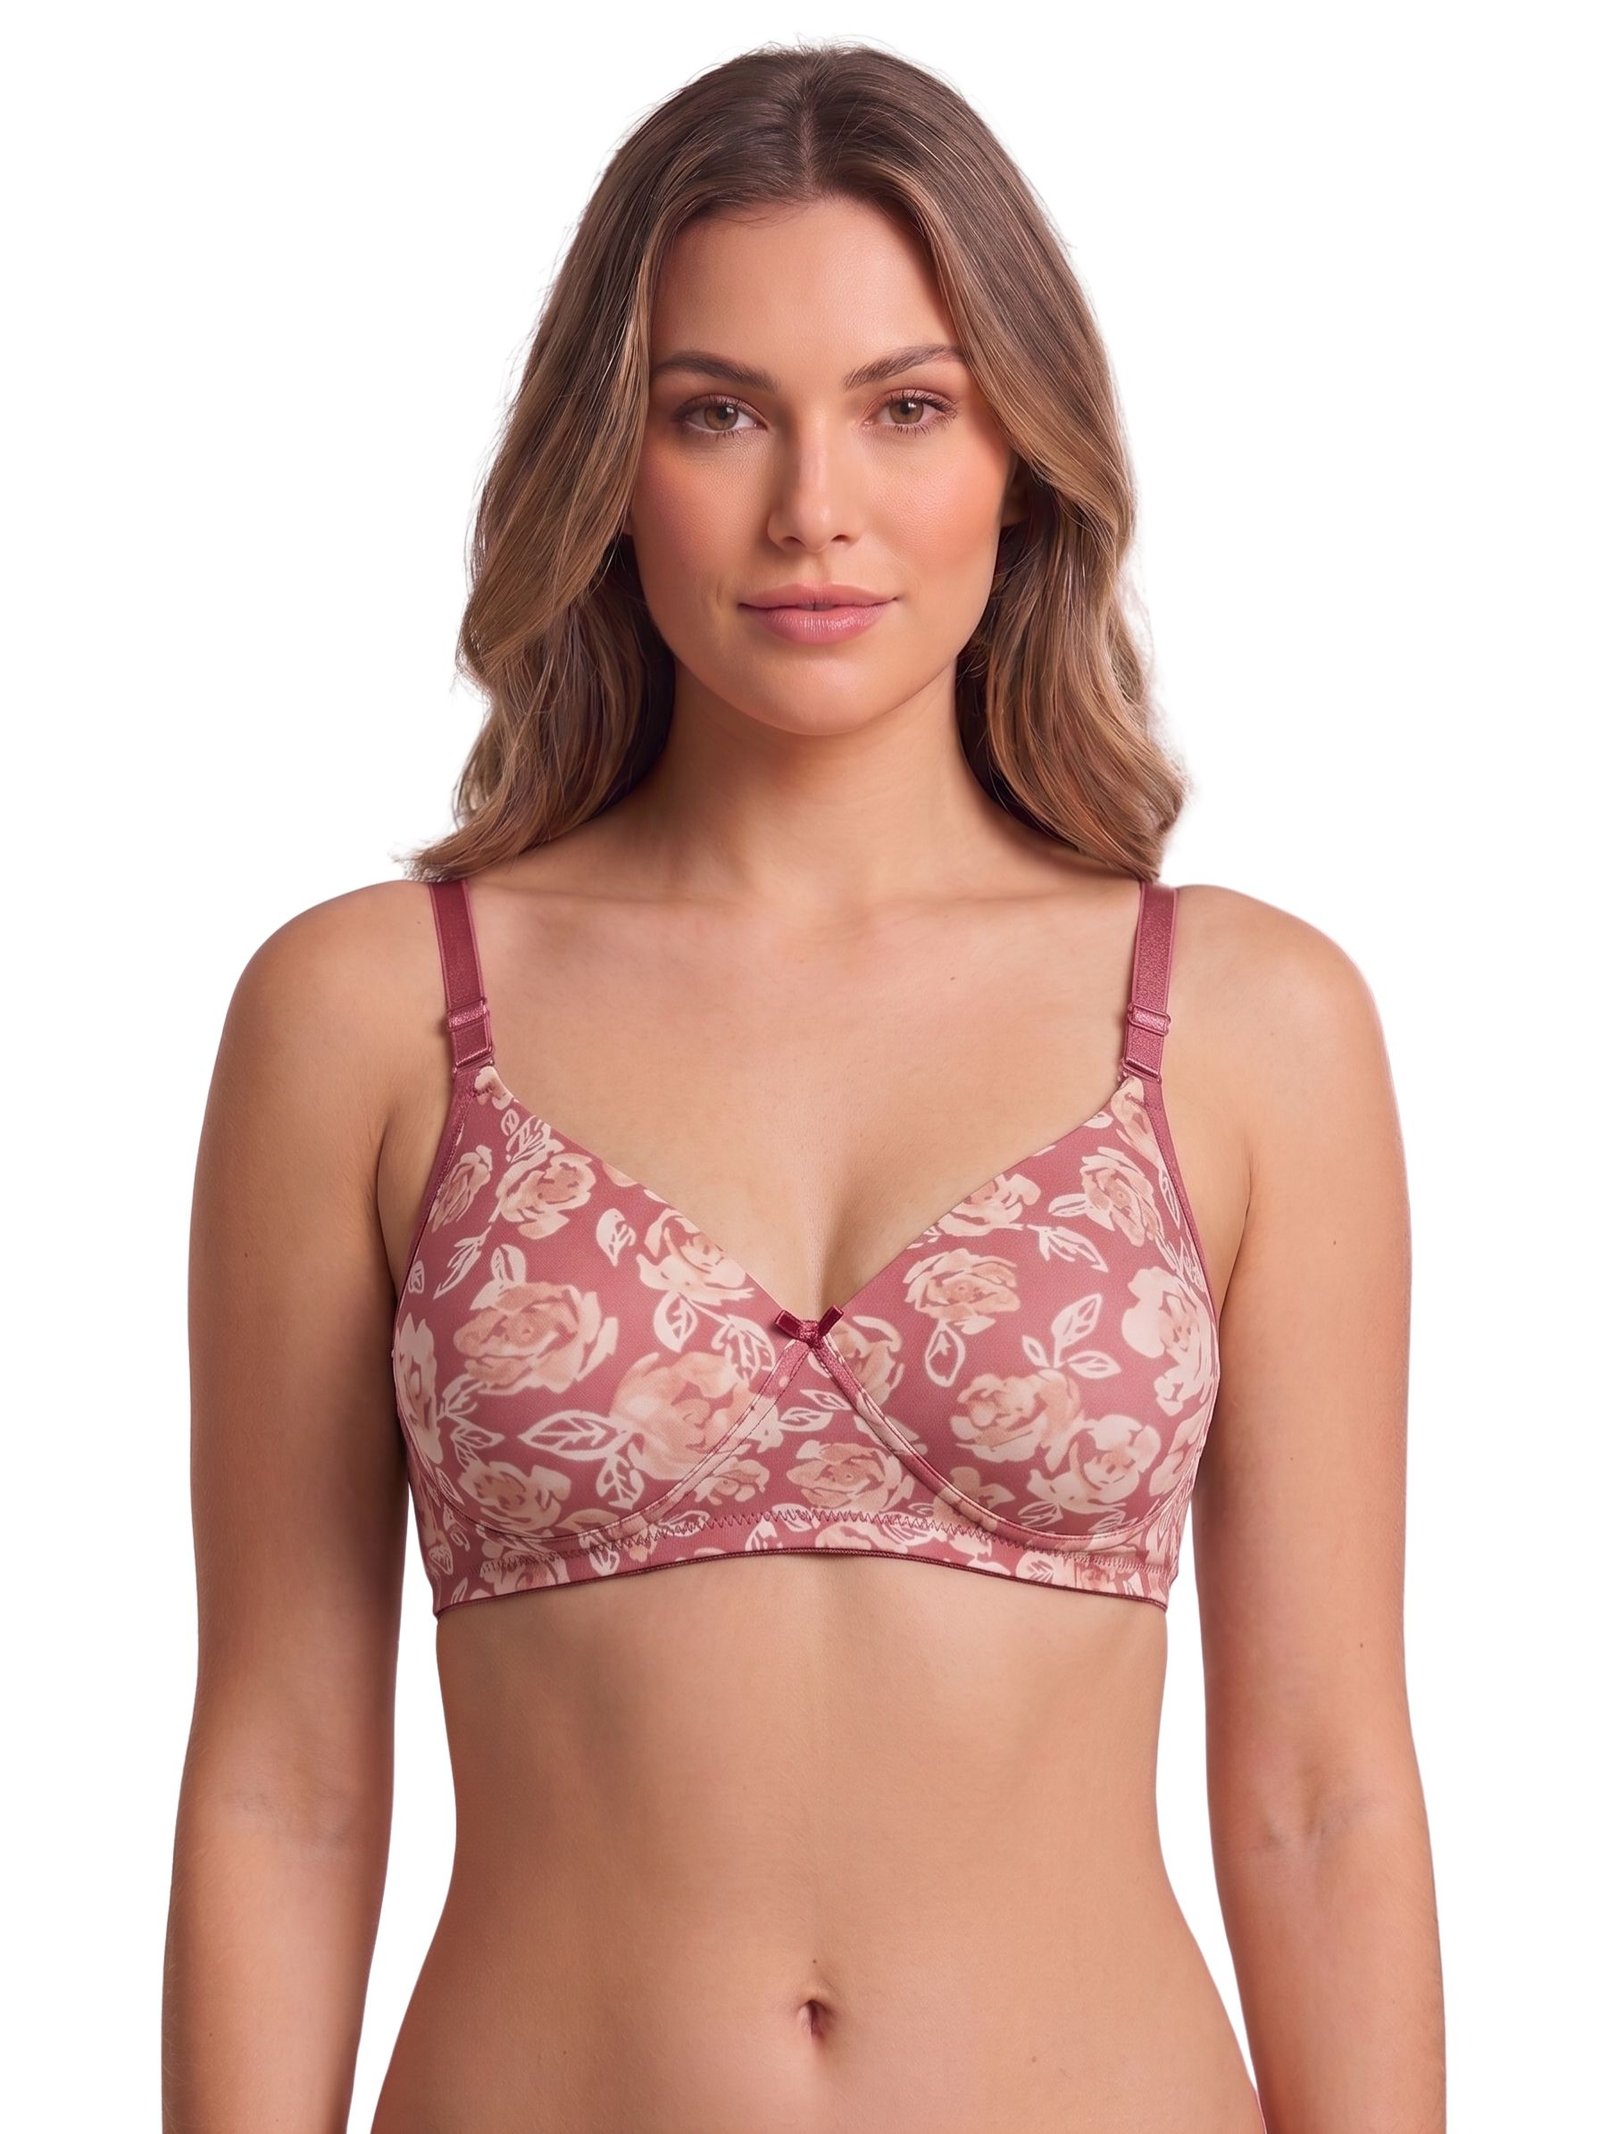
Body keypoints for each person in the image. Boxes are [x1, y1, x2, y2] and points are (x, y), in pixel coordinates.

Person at [161, 40, 1445, 2134]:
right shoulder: (369, 1013)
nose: (812, 508)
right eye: (717, 411)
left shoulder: (1245, 1019)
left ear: (1021, 451)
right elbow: (283, 1779)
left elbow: (1321, 1790)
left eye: (905, 406)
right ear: (610, 459)